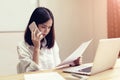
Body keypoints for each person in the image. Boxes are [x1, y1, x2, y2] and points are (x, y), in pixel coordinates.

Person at [17, 7, 81, 73]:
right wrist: (36, 48)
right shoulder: (22, 47)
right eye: (43, 27)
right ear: (33, 25)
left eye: (49, 27)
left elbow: (57, 68)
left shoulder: (52, 43)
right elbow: (32, 73)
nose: (46, 31)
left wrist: (72, 64)